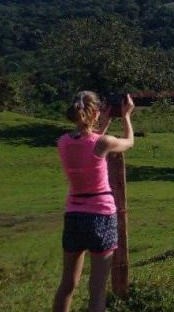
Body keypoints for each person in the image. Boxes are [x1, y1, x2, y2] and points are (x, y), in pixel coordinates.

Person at [53, 91, 135, 312]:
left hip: (74, 215)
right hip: (100, 215)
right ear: (96, 112)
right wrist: (126, 116)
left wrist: (102, 123)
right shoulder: (104, 142)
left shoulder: (63, 142)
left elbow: (86, 144)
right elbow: (128, 143)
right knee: (97, 288)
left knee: (67, 284)